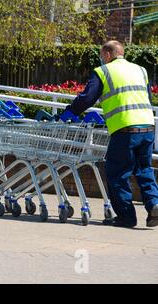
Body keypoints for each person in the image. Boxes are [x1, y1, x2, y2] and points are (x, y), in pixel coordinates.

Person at [63, 40, 158, 228]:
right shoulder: (141, 70)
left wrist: (70, 111)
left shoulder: (104, 71)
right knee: (144, 169)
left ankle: (126, 217)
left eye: (101, 56)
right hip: (147, 126)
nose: (101, 60)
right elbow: (147, 97)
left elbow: (87, 98)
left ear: (107, 55)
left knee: (118, 173)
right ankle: (154, 204)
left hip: (124, 129)